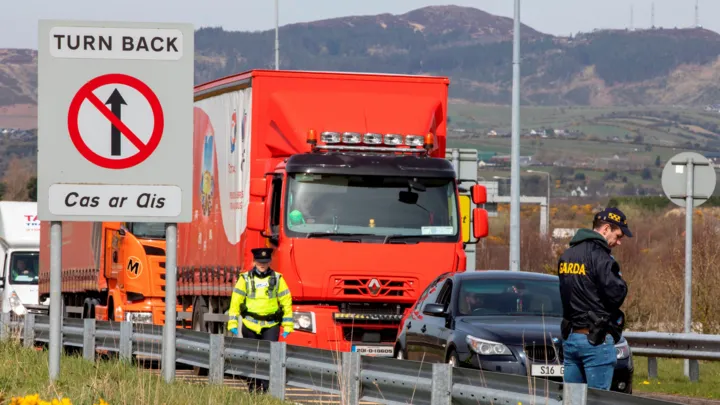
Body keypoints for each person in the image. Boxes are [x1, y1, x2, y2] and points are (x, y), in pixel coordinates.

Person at [558, 207, 630, 391]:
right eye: (619, 235)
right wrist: (619, 279)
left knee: (572, 400)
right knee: (598, 400)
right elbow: (616, 295)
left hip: (571, 337)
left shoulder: (567, 255)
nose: (619, 242)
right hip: (596, 340)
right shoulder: (602, 258)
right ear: (606, 228)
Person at [227, 247, 294, 393]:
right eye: (259, 261)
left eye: (264, 261)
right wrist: (232, 322)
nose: (262, 265)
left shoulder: (278, 279)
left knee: (269, 356)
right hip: (250, 324)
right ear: (254, 261)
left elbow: (286, 301)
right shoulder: (244, 279)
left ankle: (266, 388)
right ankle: (253, 387)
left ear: (270, 262)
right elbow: (235, 302)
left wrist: (288, 325)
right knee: (252, 357)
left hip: (271, 324)